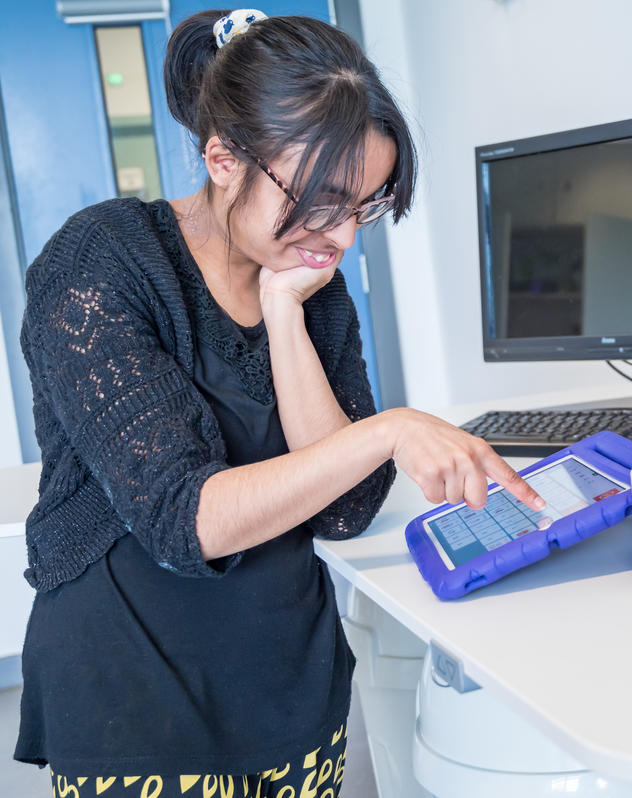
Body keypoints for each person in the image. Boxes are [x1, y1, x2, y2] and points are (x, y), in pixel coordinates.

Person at [14, 9, 543, 797]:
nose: (340, 238)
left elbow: (344, 508)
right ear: (223, 158)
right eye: (322, 200)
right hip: (136, 704)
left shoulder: (314, 290)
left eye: (362, 207)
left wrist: (287, 314)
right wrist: (392, 428)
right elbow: (184, 519)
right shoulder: (104, 260)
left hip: (291, 689)